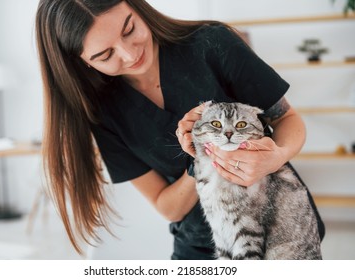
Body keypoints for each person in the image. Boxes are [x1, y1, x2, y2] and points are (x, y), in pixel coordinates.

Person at [35, 0, 324, 259]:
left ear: (137, 7)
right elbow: (167, 207)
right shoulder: (103, 112)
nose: (129, 52)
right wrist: (201, 161)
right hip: (198, 249)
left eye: (129, 28)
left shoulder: (213, 43)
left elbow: (287, 119)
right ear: (81, 62)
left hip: (281, 229)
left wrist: (276, 156)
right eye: (105, 54)